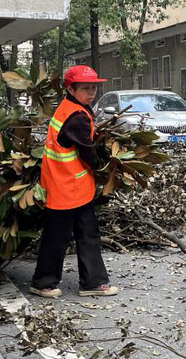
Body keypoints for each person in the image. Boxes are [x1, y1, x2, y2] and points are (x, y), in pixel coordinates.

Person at [30, 65, 120, 299]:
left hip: (64, 183)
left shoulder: (69, 108)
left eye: (94, 88)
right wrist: (103, 166)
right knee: (63, 236)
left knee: (77, 233)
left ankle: (85, 282)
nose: (91, 93)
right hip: (69, 185)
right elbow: (87, 151)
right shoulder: (77, 116)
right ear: (71, 88)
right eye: (85, 88)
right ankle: (47, 283)